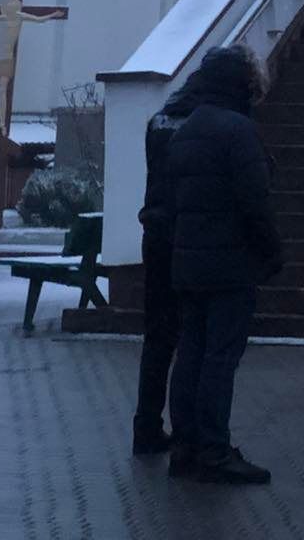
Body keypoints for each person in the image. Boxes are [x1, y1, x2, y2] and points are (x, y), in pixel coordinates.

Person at [166, 45, 282, 486]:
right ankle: (214, 450)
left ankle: (185, 446)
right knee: (220, 357)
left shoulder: (187, 129)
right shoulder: (238, 131)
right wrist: (270, 251)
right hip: (230, 262)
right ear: (241, 83)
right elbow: (255, 201)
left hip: (189, 260)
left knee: (190, 353)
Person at [132, 71, 205, 456]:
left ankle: (146, 425)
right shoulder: (203, 126)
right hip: (188, 236)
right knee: (193, 336)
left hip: (155, 233)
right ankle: (187, 428)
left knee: (157, 337)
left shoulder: (158, 122)